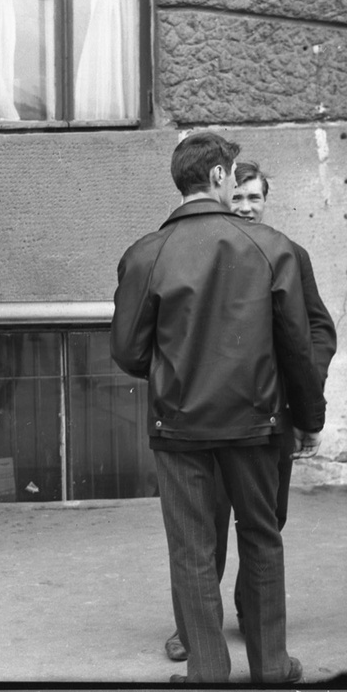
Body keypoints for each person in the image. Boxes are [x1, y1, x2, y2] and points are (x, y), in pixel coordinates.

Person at [111, 132, 325, 684]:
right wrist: (308, 419)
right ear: (216, 177)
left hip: (178, 427)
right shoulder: (271, 247)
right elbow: (298, 348)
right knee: (262, 538)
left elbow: (130, 352)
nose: (234, 185)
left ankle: (207, 673)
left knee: (191, 550)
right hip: (257, 425)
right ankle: (272, 669)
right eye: (231, 176)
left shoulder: (145, 254)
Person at [162, 161, 337, 662]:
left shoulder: (288, 253)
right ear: (221, 195)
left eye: (253, 198)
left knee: (265, 524)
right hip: (204, 416)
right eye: (236, 198)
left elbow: (316, 331)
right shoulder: (196, 251)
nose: (244, 207)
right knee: (206, 527)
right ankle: (196, 629)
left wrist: (304, 385)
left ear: (266, 200)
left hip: (269, 416)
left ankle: (251, 616)